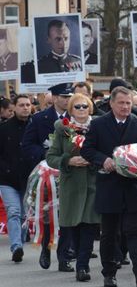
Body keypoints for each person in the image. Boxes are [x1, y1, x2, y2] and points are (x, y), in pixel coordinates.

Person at [80, 86, 137, 287]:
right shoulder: (99, 124)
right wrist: (103, 160)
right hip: (109, 185)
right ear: (111, 103)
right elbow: (87, 150)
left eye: (128, 103)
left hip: (132, 186)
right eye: (121, 103)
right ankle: (109, 272)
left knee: (133, 230)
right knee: (109, 233)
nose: (125, 107)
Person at [46, 93, 101, 282]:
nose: (81, 110)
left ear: (90, 108)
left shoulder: (98, 126)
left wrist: (93, 159)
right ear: (70, 110)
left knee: (87, 225)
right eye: (77, 107)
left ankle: (83, 267)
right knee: (74, 227)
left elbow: (107, 151)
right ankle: (78, 259)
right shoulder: (63, 129)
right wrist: (69, 160)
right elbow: (51, 157)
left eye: (84, 106)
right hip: (71, 185)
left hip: (93, 183)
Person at [21, 83, 74, 271]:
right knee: (48, 214)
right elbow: (27, 145)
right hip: (46, 174)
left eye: (70, 96)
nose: (67, 100)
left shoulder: (76, 117)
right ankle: (46, 246)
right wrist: (45, 155)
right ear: (54, 97)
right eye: (64, 96)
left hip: (69, 172)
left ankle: (64, 256)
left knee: (66, 214)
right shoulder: (39, 118)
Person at [0, 94, 32, 262]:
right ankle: (16, 246)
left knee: (24, 214)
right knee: (13, 212)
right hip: (7, 180)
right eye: (21, 105)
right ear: (13, 107)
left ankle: (21, 236)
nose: (26, 107)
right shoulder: (3, 128)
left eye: (28, 104)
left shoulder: (35, 126)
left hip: (29, 179)